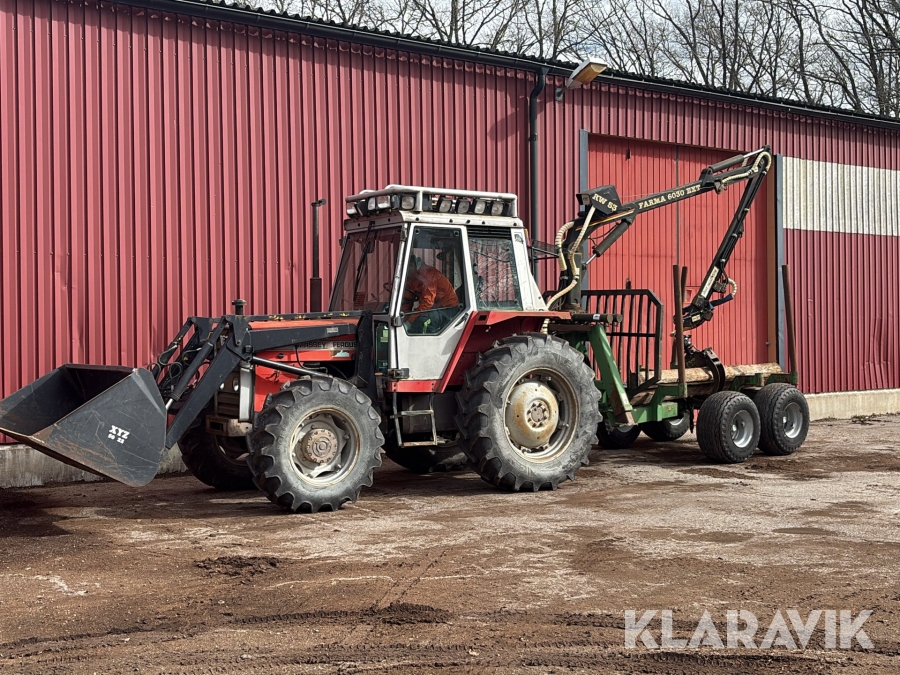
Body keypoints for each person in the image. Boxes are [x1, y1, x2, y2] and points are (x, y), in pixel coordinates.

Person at [401, 255, 460, 333]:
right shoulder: (412, 277)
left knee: (422, 322)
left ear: (411, 265)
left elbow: (428, 302)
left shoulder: (427, 274)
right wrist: (402, 320)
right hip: (434, 308)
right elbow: (407, 300)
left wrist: (409, 322)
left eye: (404, 268)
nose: (402, 272)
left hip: (447, 308)